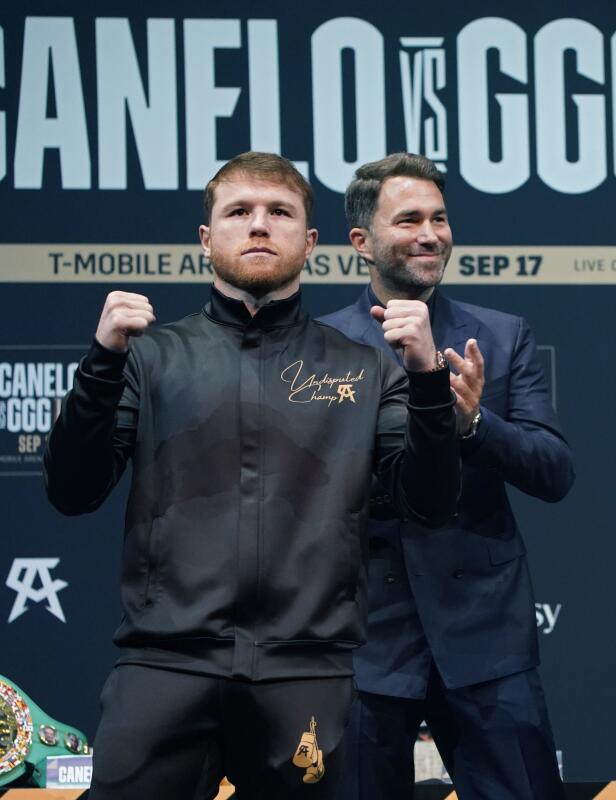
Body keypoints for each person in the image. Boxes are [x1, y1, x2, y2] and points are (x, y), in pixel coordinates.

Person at [41, 152, 460, 800]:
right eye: (239, 212)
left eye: (279, 213)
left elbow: (429, 505)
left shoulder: (369, 368)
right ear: (207, 239)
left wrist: (430, 381)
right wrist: (100, 365)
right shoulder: (150, 358)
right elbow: (71, 491)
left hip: (307, 673)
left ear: (311, 242)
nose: (259, 225)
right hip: (164, 666)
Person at [322, 152, 573, 800]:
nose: (431, 234)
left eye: (439, 217)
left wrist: (472, 424)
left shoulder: (501, 335)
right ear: (361, 241)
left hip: (485, 636)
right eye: (409, 219)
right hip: (362, 639)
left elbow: (553, 471)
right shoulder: (319, 347)